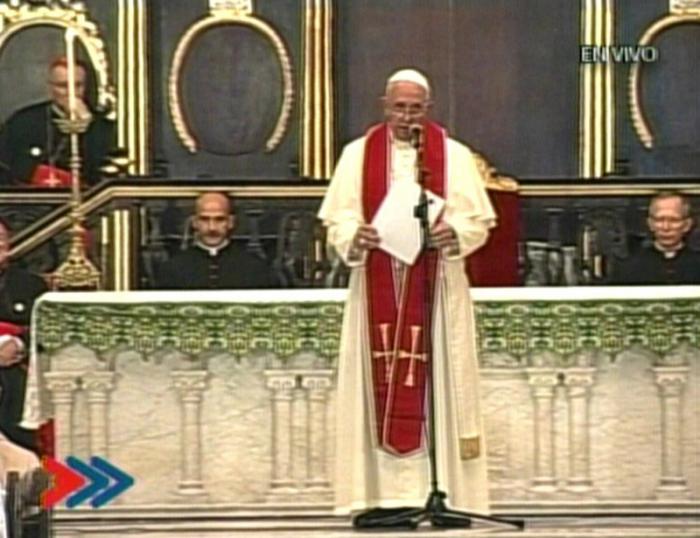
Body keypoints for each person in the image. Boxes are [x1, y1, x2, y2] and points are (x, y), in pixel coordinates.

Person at [318, 68, 496, 517]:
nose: (406, 116)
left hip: (436, 291)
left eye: (415, 108)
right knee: (375, 384)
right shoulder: (357, 155)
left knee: (438, 386)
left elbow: (478, 220)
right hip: (376, 285)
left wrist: (454, 234)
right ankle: (377, 497)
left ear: (428, 109)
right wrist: (352, 237)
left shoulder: (452, 156)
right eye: (399, 107)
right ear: (384, 105)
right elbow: (337, 218)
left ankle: (444, 495)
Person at [0, 57, 114, 186]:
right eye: (62, 86)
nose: (71, 92)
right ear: (50, 87)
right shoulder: (23, 121)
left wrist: (89, 125)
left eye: (77, 85)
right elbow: (6, 164)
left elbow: (103, 169)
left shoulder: (101, 126)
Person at [157, 192, 277, 289]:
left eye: (219, 219)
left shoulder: (255, 268)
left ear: (230, 222)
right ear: (194, 222)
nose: (212, 228)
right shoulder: (172, 269)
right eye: (204, 219)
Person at [0, 217, 48, 452]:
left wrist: (17, 343)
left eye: (1, 240)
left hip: (18, 370)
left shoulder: (30, 284)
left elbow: (46, 330)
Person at [609, 191, 700, 284]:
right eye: (659, 220)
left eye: (674, 220)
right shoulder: (628, 268)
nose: (666, 227)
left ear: (687, 224)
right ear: (650, 223)